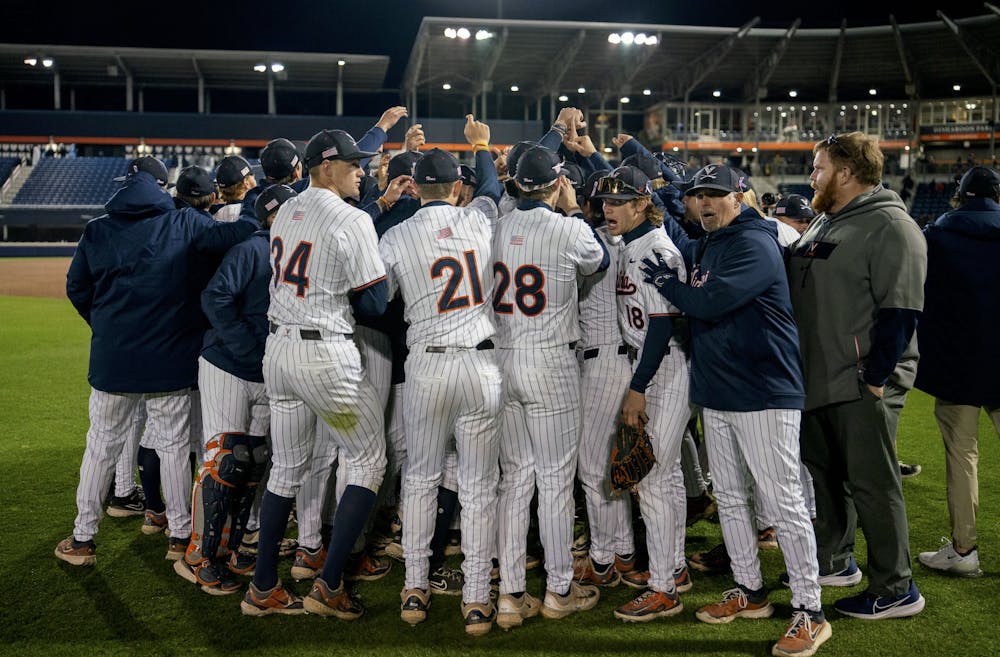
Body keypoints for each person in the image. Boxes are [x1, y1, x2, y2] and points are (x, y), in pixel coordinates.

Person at [640, 163, 830, 656]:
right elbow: (676, 233)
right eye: (699, 196)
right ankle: (750, 590)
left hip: (764, 389)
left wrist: (670, 286)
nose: (704, 203)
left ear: (741, 197)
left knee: (783, 500)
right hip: (720, 389)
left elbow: (710, 302)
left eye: (715, 195)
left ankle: (810, 610)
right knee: (729, 497)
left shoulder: (755, 241)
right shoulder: (713, 239)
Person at [57, 156, 259, 566]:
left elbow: (77, 287)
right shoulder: (184, 223)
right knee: (172, 446)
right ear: (163, 186)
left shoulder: (98, 229)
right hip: (170, 358)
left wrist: (106, 327)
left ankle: (83, 538)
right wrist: (255, 194)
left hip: (114, 361)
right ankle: (180, 534)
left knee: (100, 445)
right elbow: (241, 231)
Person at [240, 129, 388, 618]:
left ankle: (263, 587)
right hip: (325, 357)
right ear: (327, 167)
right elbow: (374, 302)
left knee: (286, 466)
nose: (361, 170)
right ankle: (328, 585)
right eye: (353, 164)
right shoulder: (350, 219)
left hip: (279, 351)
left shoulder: (285, 211)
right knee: (368, 460)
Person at [786, 132, 927, 620]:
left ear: (846, 172)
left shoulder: (891, 225)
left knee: (873, 483)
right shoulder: (828, 219)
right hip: (820, 375)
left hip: (860, 380)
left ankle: (896, 587)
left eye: (819, 168)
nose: (812, 176)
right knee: (827, 477)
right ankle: (835, 560)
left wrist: (875, 377)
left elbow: (902, 310)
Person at [379, 116, 504, 635]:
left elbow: (374, 299)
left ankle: (414, 589)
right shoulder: (477, 219)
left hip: (425, 363)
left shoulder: (397, 234)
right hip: (479, 362)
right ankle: (475, 597)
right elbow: (493, 188)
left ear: (414, 184)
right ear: (456, 185)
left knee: (422, 479)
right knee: (477, 485)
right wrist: (480, 146)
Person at [492, 145, 609, 628]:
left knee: (515, 480)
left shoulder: (496, 225)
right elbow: (597, 261)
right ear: (555, 183)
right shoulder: (568, 228)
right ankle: (559, 589)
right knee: (556, 483)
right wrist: (575, 207)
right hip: (550, 361)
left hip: (504, 360)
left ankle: (510, 593)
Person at [174, 184, 298, 594]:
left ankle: (228, 547)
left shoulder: (294, 253)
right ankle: (198, 554)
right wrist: (247, 346)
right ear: (274, 215)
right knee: (224, 459)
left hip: (264, 371)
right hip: (228, 365)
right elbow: (215, 298)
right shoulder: (252, 249)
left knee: (253, 460)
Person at [591, 166, 690, 623]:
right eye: (605, 201)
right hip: (649, 364)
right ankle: (674, 569)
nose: (608, 209)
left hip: (661, 367)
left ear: (642, 204)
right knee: (665, 480)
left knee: (648, 477)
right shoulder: (628, 243)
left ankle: (663, 590)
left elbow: (661, 325)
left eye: (619, 202)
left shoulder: (658, 249)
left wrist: (638, 386)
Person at [915, 165, 1000, 577]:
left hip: (959, 364)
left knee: (963, 456)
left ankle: (965, 550)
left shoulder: (937, 236)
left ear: (960, 195)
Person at [213, 155, 257, 222]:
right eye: (252, 177)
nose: (254, 179)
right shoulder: (255, 213)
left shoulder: (214, 215)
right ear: (246, 182)